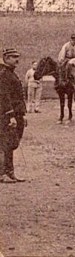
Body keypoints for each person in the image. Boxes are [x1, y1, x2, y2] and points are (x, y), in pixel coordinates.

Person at [0, 47, 27, 183]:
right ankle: (2, 173)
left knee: (11, 144)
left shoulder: (11, 73)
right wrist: (10, 115)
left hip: (17, 114)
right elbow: (4, 97)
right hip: (7, 115)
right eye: (13, 57)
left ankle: (10, 173)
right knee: (5, 144)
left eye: (17, 56)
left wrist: (22, 115)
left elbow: (19, 97)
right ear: (6, 59)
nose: (17, 59)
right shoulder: (4, 74)